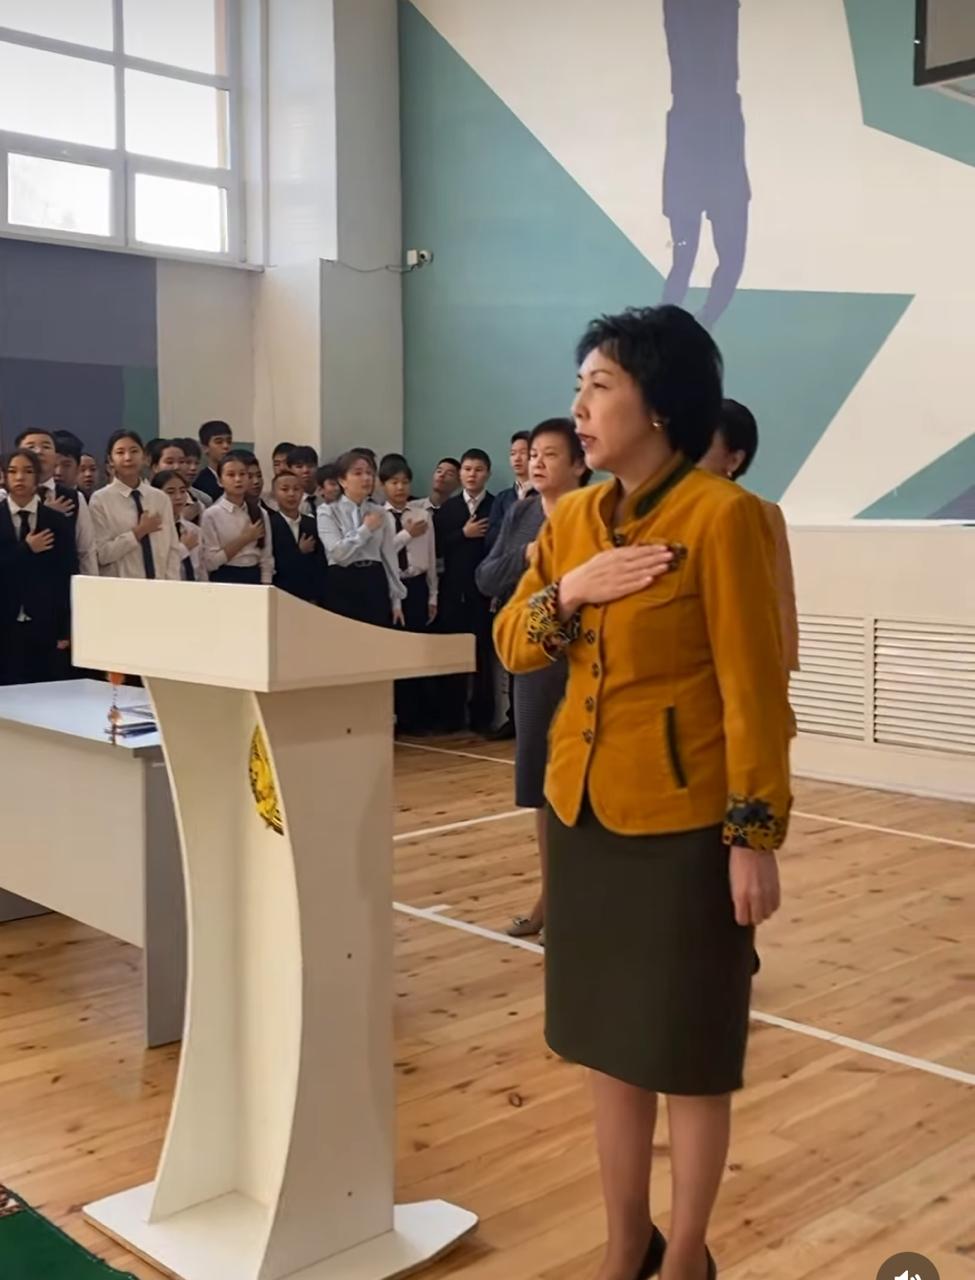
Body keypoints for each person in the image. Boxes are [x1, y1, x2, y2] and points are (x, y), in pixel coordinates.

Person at [494, 306, 791, 1280]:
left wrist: (753, 837)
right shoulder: (574, 519)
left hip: (685, 827)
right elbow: (513, 642)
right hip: (584, 815)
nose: (578, 408)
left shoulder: (723, 517)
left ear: (658, 403)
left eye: (600, 387)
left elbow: (754, 687)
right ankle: (628, 1241)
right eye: (578, 387)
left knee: (688, 1054)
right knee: (609, 1046)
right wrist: (573, 590)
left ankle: (686, 1257)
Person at [476, 419, 588, 939]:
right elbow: (486, 576)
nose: (537, 462)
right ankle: (551, 895)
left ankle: (574, 900)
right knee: (540, 786)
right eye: (533, 453)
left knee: (578, 785)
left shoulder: (594, 515)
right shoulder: (521, 512)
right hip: (531, 661)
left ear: (580, 464)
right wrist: (527, 558)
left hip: (580, 663)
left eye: (550, 454)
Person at [698, 399, 800, 677]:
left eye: (701, 444)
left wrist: (780, 668)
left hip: (738, 666)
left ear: (733, 460)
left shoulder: (763, 514)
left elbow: (780, 599)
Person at [0, 449, 74, 684]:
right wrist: (26, 548)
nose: (20, 477)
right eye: (13, 471)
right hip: (4, 621)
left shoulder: (56, 522)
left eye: (27, 471)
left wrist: (65, 628)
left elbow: (66, 575)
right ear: (4, 476)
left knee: (46, 690)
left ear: (38, 477)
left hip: (44, 623)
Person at [435, 449, 495, 732]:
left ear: (487, 474)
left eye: (478, 469)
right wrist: (463, 534)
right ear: (460, 474)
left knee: (482, 656)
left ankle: (482, 719)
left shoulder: (496, 506)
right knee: (452, 653)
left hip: (483, 592)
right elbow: (436, 547)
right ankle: (451, 716)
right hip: (452, 592)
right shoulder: (448, 509)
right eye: (468, 469)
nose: (472, 474)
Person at [380, 454, 438, 734]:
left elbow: (431, 555)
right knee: (393, 653)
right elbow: (381, 552)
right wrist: (406, 534)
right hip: (390, 587)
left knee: (417, 652)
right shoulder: (377, 517)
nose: (400, 488)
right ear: (383, 485)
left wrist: (433, 595)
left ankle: (416, 717)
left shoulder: (422, 515)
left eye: (404, 482)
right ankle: (393, 715)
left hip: (417, 586)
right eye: (394, 482)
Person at [317, 450, 405, 627]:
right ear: (342, 481)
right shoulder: (327, 511)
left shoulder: (379, 512)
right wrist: (365, 529)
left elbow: (389, 557)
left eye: (369, 473)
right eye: (358, 473)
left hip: (374, 578)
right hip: (342, 579)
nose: (366, 478)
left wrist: (396, 601)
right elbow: (338, 553)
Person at [89, 430, 182, 580]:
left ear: (144, 457)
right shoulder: (100, 500)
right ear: (110, 460)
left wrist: (170, 584)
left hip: (160, 585)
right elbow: (102, 554)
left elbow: (172, 549)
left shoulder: (159, 498)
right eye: (120, 452)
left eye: (134, 451)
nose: (128, 457)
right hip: (120, 586)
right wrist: (138, 532)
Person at [15, 429, 96, 576]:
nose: (39, 451)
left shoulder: (75, 498)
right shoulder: (5, 498)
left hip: (63, 584)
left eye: (46, 446)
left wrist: (90, 586)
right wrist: (45, 513)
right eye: (31, 446)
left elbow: (86, 551)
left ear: (56, 456)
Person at [200, 451, 274, 585]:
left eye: (243, 474)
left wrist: (266, 584)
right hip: (225, 575)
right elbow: (210, 562)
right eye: (231, 475)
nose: (238, 479)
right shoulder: (211, 515)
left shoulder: (260, 512)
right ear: (220, 481)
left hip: (254, 575)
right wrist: (245, 538)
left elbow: (266, 556)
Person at [268, 471, 329, 605]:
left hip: (309, 596)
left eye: (296, 489)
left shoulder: (312, 524)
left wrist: (317, 596)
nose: (291, 494)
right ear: (274, 494)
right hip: (281, 594)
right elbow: (273, 563)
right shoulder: (269, 524)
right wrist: (299, 552)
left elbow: (320, 564)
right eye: (285, 489)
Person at [151, 469, 205, 581]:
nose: (178, 497)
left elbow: (201, 569)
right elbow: (156, 565)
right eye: (170, 492)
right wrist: (184, 548)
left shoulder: (193, 530)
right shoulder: (151, 530)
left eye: (183, 491)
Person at [485, 431, 532, 553]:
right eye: (513, 453)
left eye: (523, 452)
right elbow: (490, 540)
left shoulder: (545, 495)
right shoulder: (502, 498)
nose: (517, 458)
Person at [194, 421, 234, 500]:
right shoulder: (200, 483)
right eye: (219, 442)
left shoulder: (238, 478)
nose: (226, 446)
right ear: (205, 447)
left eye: (229, 441)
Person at [285, 446, 320, 516]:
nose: (305, 470)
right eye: (299, 466)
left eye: (310, 466)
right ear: (289, 469)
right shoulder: (287, 500)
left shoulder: (327, 495)